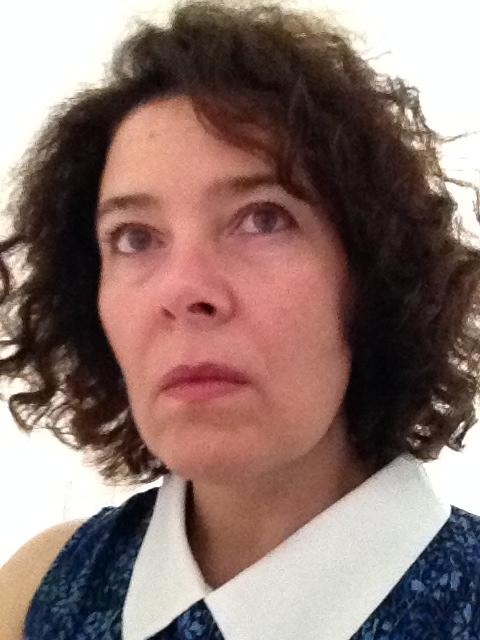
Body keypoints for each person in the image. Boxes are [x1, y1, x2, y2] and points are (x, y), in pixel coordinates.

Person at [1, 0, 480, 638]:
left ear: (374, 276)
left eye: (263, 219)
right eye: (135, 237)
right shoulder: (35, 593)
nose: (184, 291)